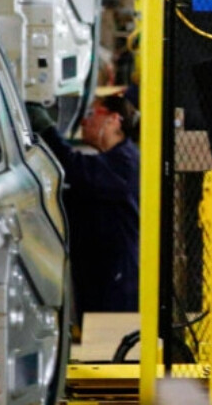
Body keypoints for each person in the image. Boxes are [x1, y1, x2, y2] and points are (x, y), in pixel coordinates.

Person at [34, 90, 140, 316]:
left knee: (107, 342)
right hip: (100, 274)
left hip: (116, 280)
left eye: (92, 113)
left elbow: (74, 168)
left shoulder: (125, 162)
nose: (84, 120)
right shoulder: (115, 160)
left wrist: (46, 128)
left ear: (114, 120)